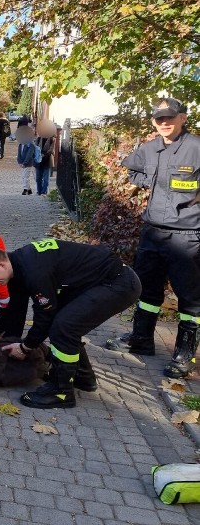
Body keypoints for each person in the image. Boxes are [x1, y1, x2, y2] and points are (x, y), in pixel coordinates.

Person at [0, 239, 141, 409]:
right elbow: (16, 312)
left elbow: (45, 315)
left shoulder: (34, 272)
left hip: (119, 284)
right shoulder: (17, 266)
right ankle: (82, 376)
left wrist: (25, 347)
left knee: (64, 327)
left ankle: (61, 392)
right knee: (64, 322)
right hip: (97, 281)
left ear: (1, 264)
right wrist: (7, 346)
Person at [105, 98, 200, 378]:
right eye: (159, 119)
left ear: (183, 118)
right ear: (153, 122)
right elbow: (132, 170)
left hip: (187, 235)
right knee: (147, 290)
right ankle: (142, 339)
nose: (165, 123)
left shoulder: (196, 147)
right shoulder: (149, 149)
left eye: (170, 118)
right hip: (153, 232)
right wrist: (151, 183)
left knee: (190, 296)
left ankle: (185, 354)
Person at [34, 122, 56, 196]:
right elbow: (35, 148)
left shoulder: (52, 139)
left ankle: (44, 191)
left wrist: (43, 154)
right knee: (38, 178)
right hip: (39, 160)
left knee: (46, 178)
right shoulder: (38, 139)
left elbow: (51, 150)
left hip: (47, 160)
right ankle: (39, 191)